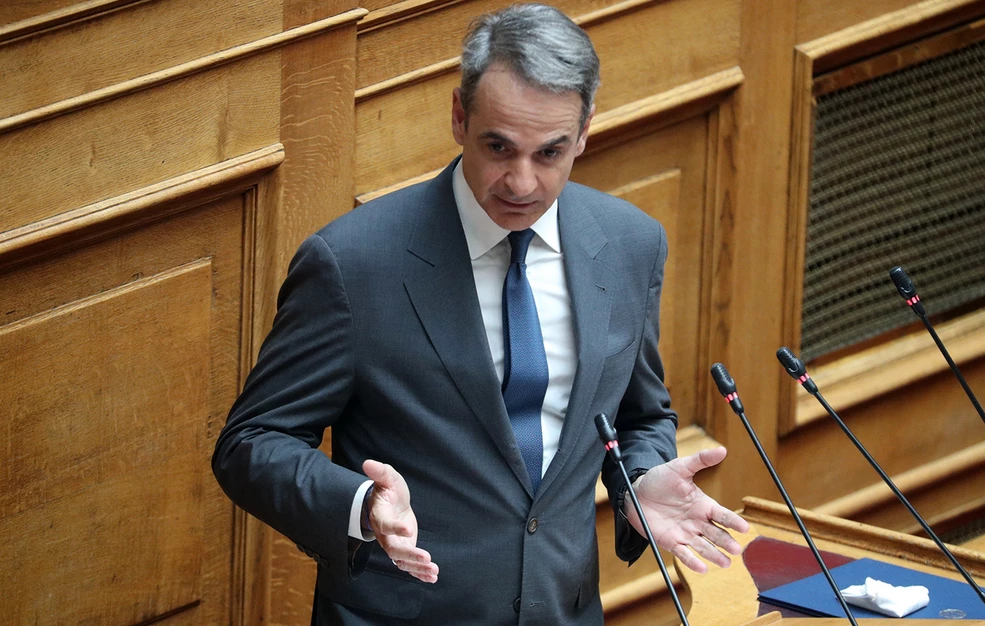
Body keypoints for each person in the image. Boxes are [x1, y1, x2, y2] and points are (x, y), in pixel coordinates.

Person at [212, 4, 748, 624]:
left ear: (584, 133)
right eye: (499, 147)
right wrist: (359, 504)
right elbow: (251, 442)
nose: (521, 182)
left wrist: (638, 480)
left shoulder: (631, 244)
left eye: (549, 153)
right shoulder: (354, 264)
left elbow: (639, 415)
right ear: (459, 117)